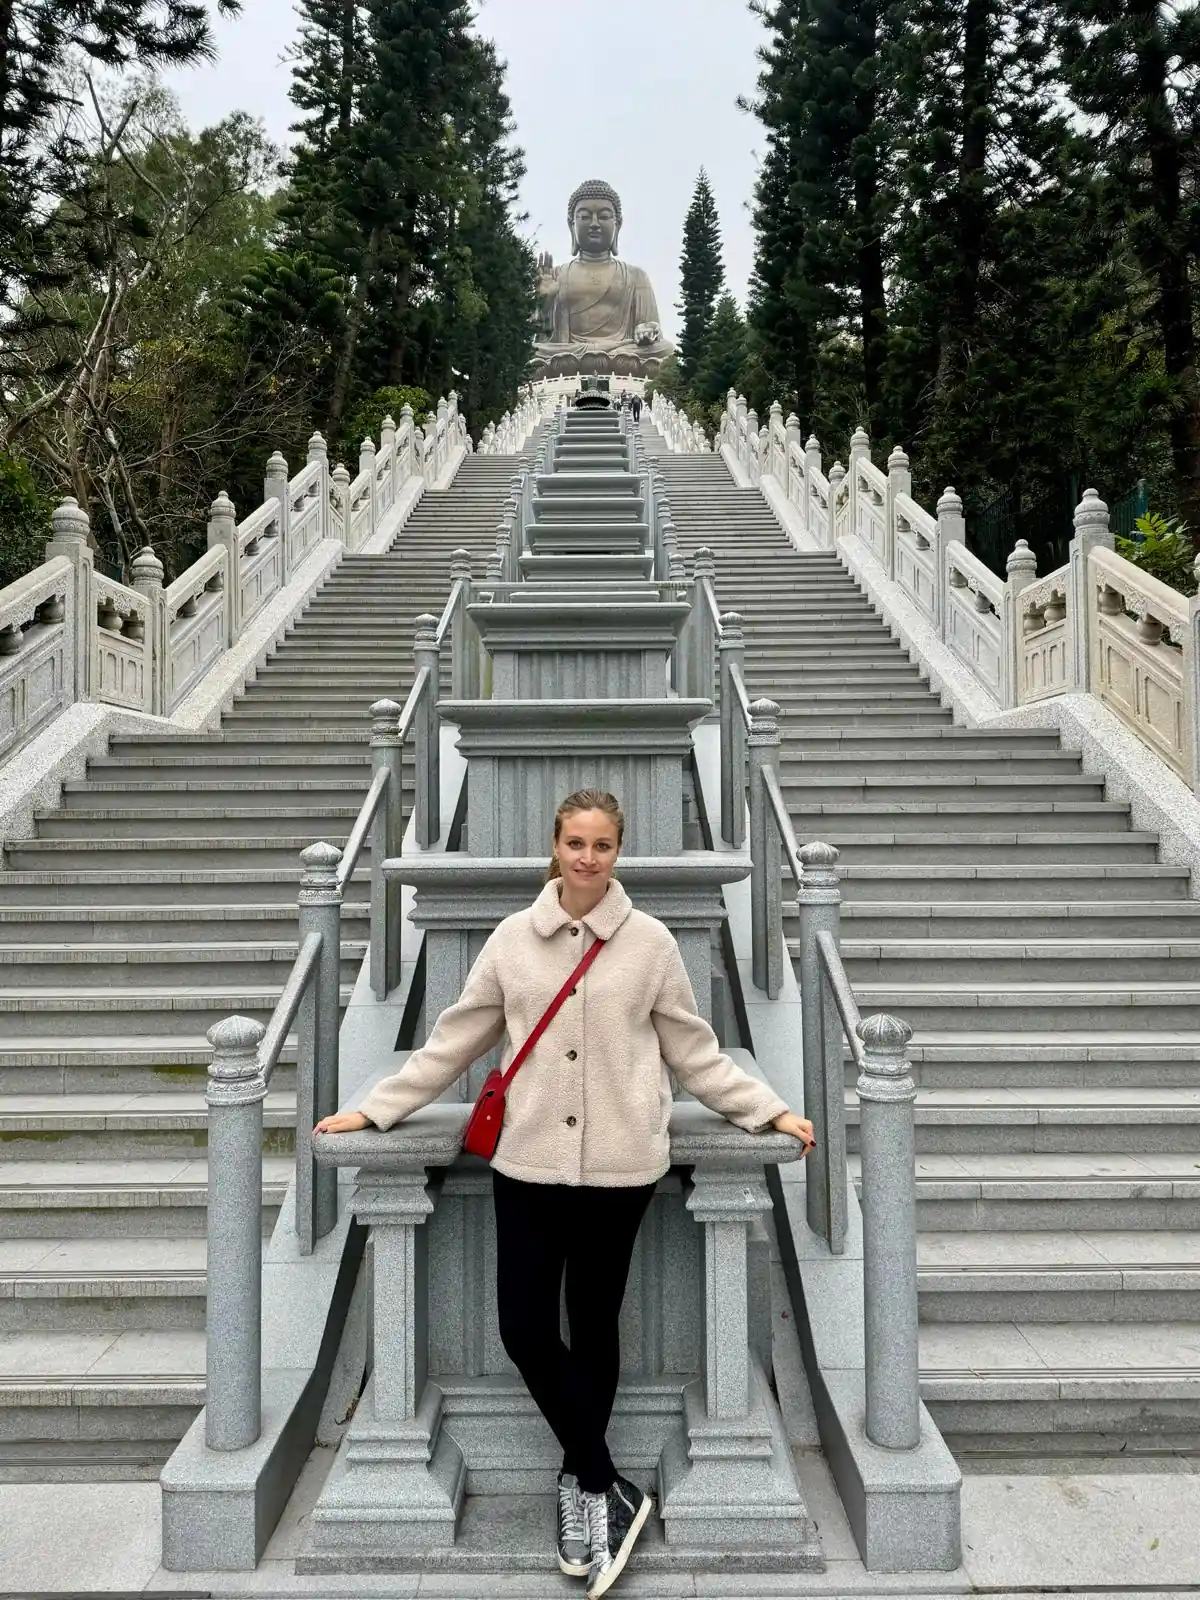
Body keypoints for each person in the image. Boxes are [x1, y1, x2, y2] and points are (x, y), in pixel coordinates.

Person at [315, 788, 814, 1598]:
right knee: (523, 1327)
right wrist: (375, 1110)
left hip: (621, 1170)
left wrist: (769, 1110)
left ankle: (585, 1489)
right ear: (556, 845)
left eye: (602, 845)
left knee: (593, 1325)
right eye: (576, 843)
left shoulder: (649, 944)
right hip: (528, 1166)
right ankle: (602, 1478)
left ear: (619, 852)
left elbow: (695, 1053)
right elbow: (453, 1040)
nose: (588, 858)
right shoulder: (514, 940)